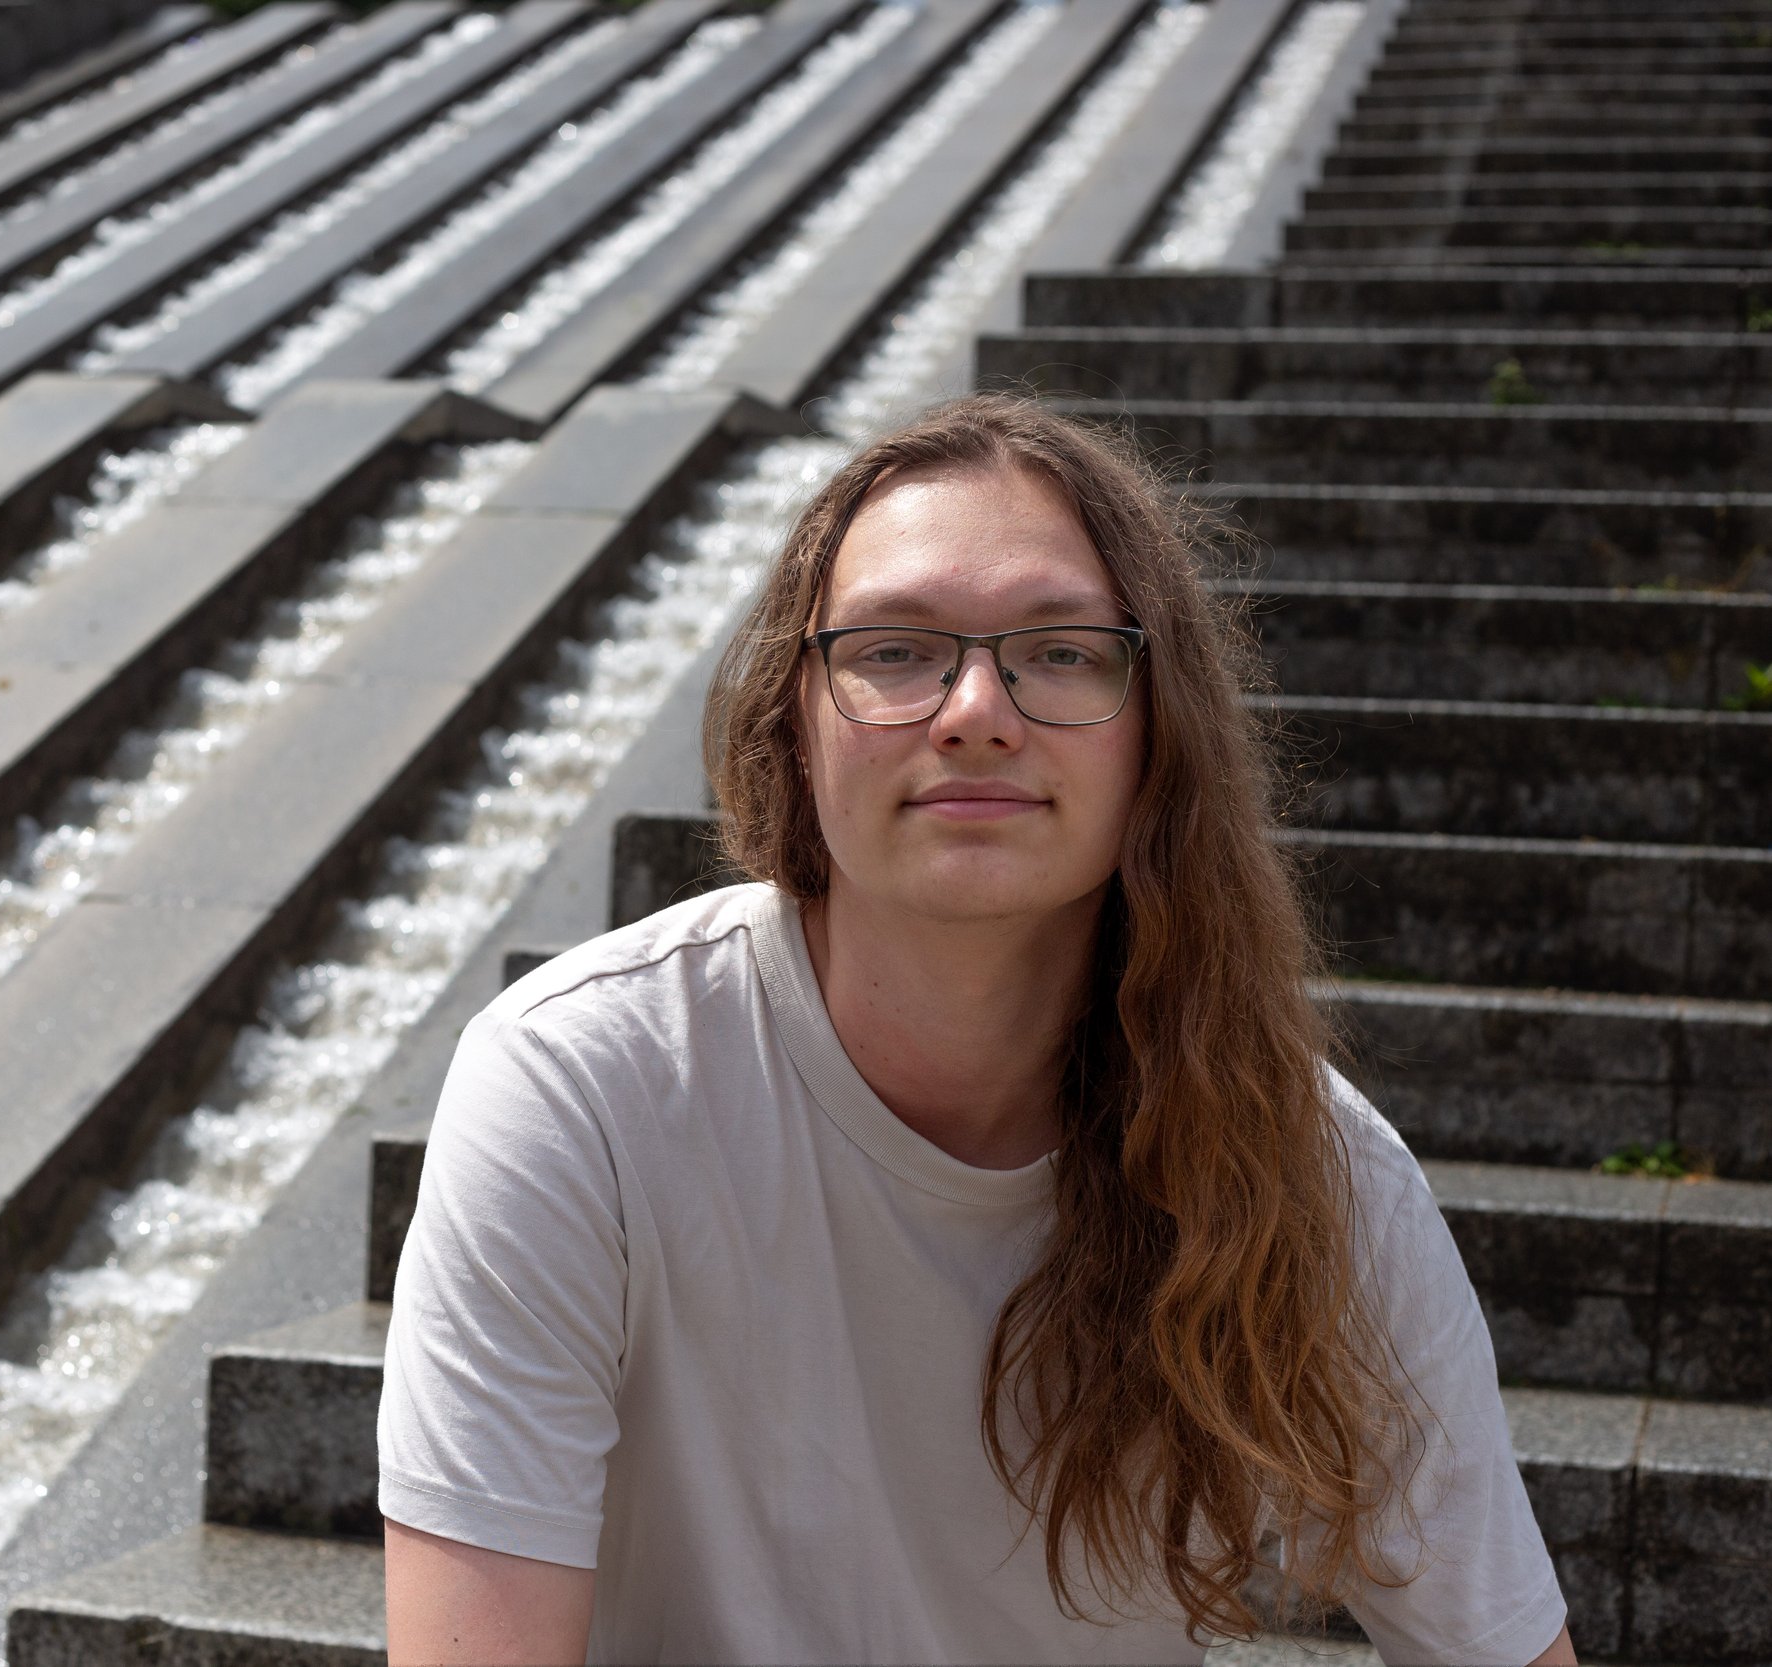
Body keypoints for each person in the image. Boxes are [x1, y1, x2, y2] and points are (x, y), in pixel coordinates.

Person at [374, 395, 1576, 1666]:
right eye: (893, 650)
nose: (973, 709)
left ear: (1156, 733)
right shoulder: (584, 1088)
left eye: (1060, 651)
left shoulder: (1306, 1165)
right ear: (794, 717)